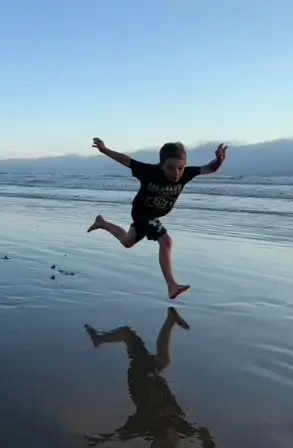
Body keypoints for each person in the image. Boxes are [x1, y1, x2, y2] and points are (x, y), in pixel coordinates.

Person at [87, 137, 227, 299]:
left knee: (127, 241)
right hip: (142, 212)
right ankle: (172, 286)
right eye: (170, 168)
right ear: (161, 165)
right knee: (166, 241)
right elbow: (127, 161)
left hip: (152, 215)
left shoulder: (186, 174)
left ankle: (102, 223)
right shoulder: (149, 172)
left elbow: (210, 168)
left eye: (180, 168)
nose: (176, 173)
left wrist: (220, 160)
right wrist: (105, 150)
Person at [83, 308, 215, 447]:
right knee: (159, 358)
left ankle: (99, 338)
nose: (164, 435)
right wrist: (207, 441)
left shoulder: (144, 426)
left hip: (139, 376)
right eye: (168, 440)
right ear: (175, 440)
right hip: (153, 376)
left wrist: (99, 440)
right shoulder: (182, 427)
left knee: (138, 341)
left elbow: (120, 434)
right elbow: (203, 432)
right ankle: (99, 338)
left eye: (159, 440)